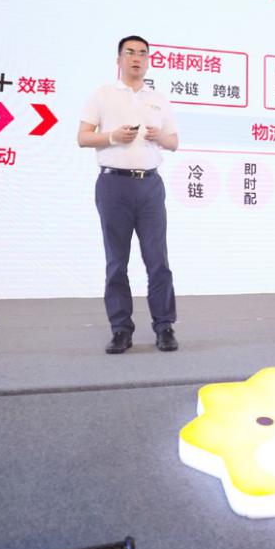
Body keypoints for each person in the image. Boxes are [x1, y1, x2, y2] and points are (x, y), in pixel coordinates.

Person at [78, 36, 180, 354]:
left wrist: (159, 136)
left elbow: (174, 142)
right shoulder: (103, 94)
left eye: (142, 54)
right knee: (116, 261)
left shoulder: (158, 99)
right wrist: (112, 137)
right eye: (130, 53)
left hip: (150, 186)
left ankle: (164, 327)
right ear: (119, 60)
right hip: (114, 186)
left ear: (148, 61)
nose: (137, 58)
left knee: (157, 260)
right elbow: (83, 137)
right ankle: (121, 329)